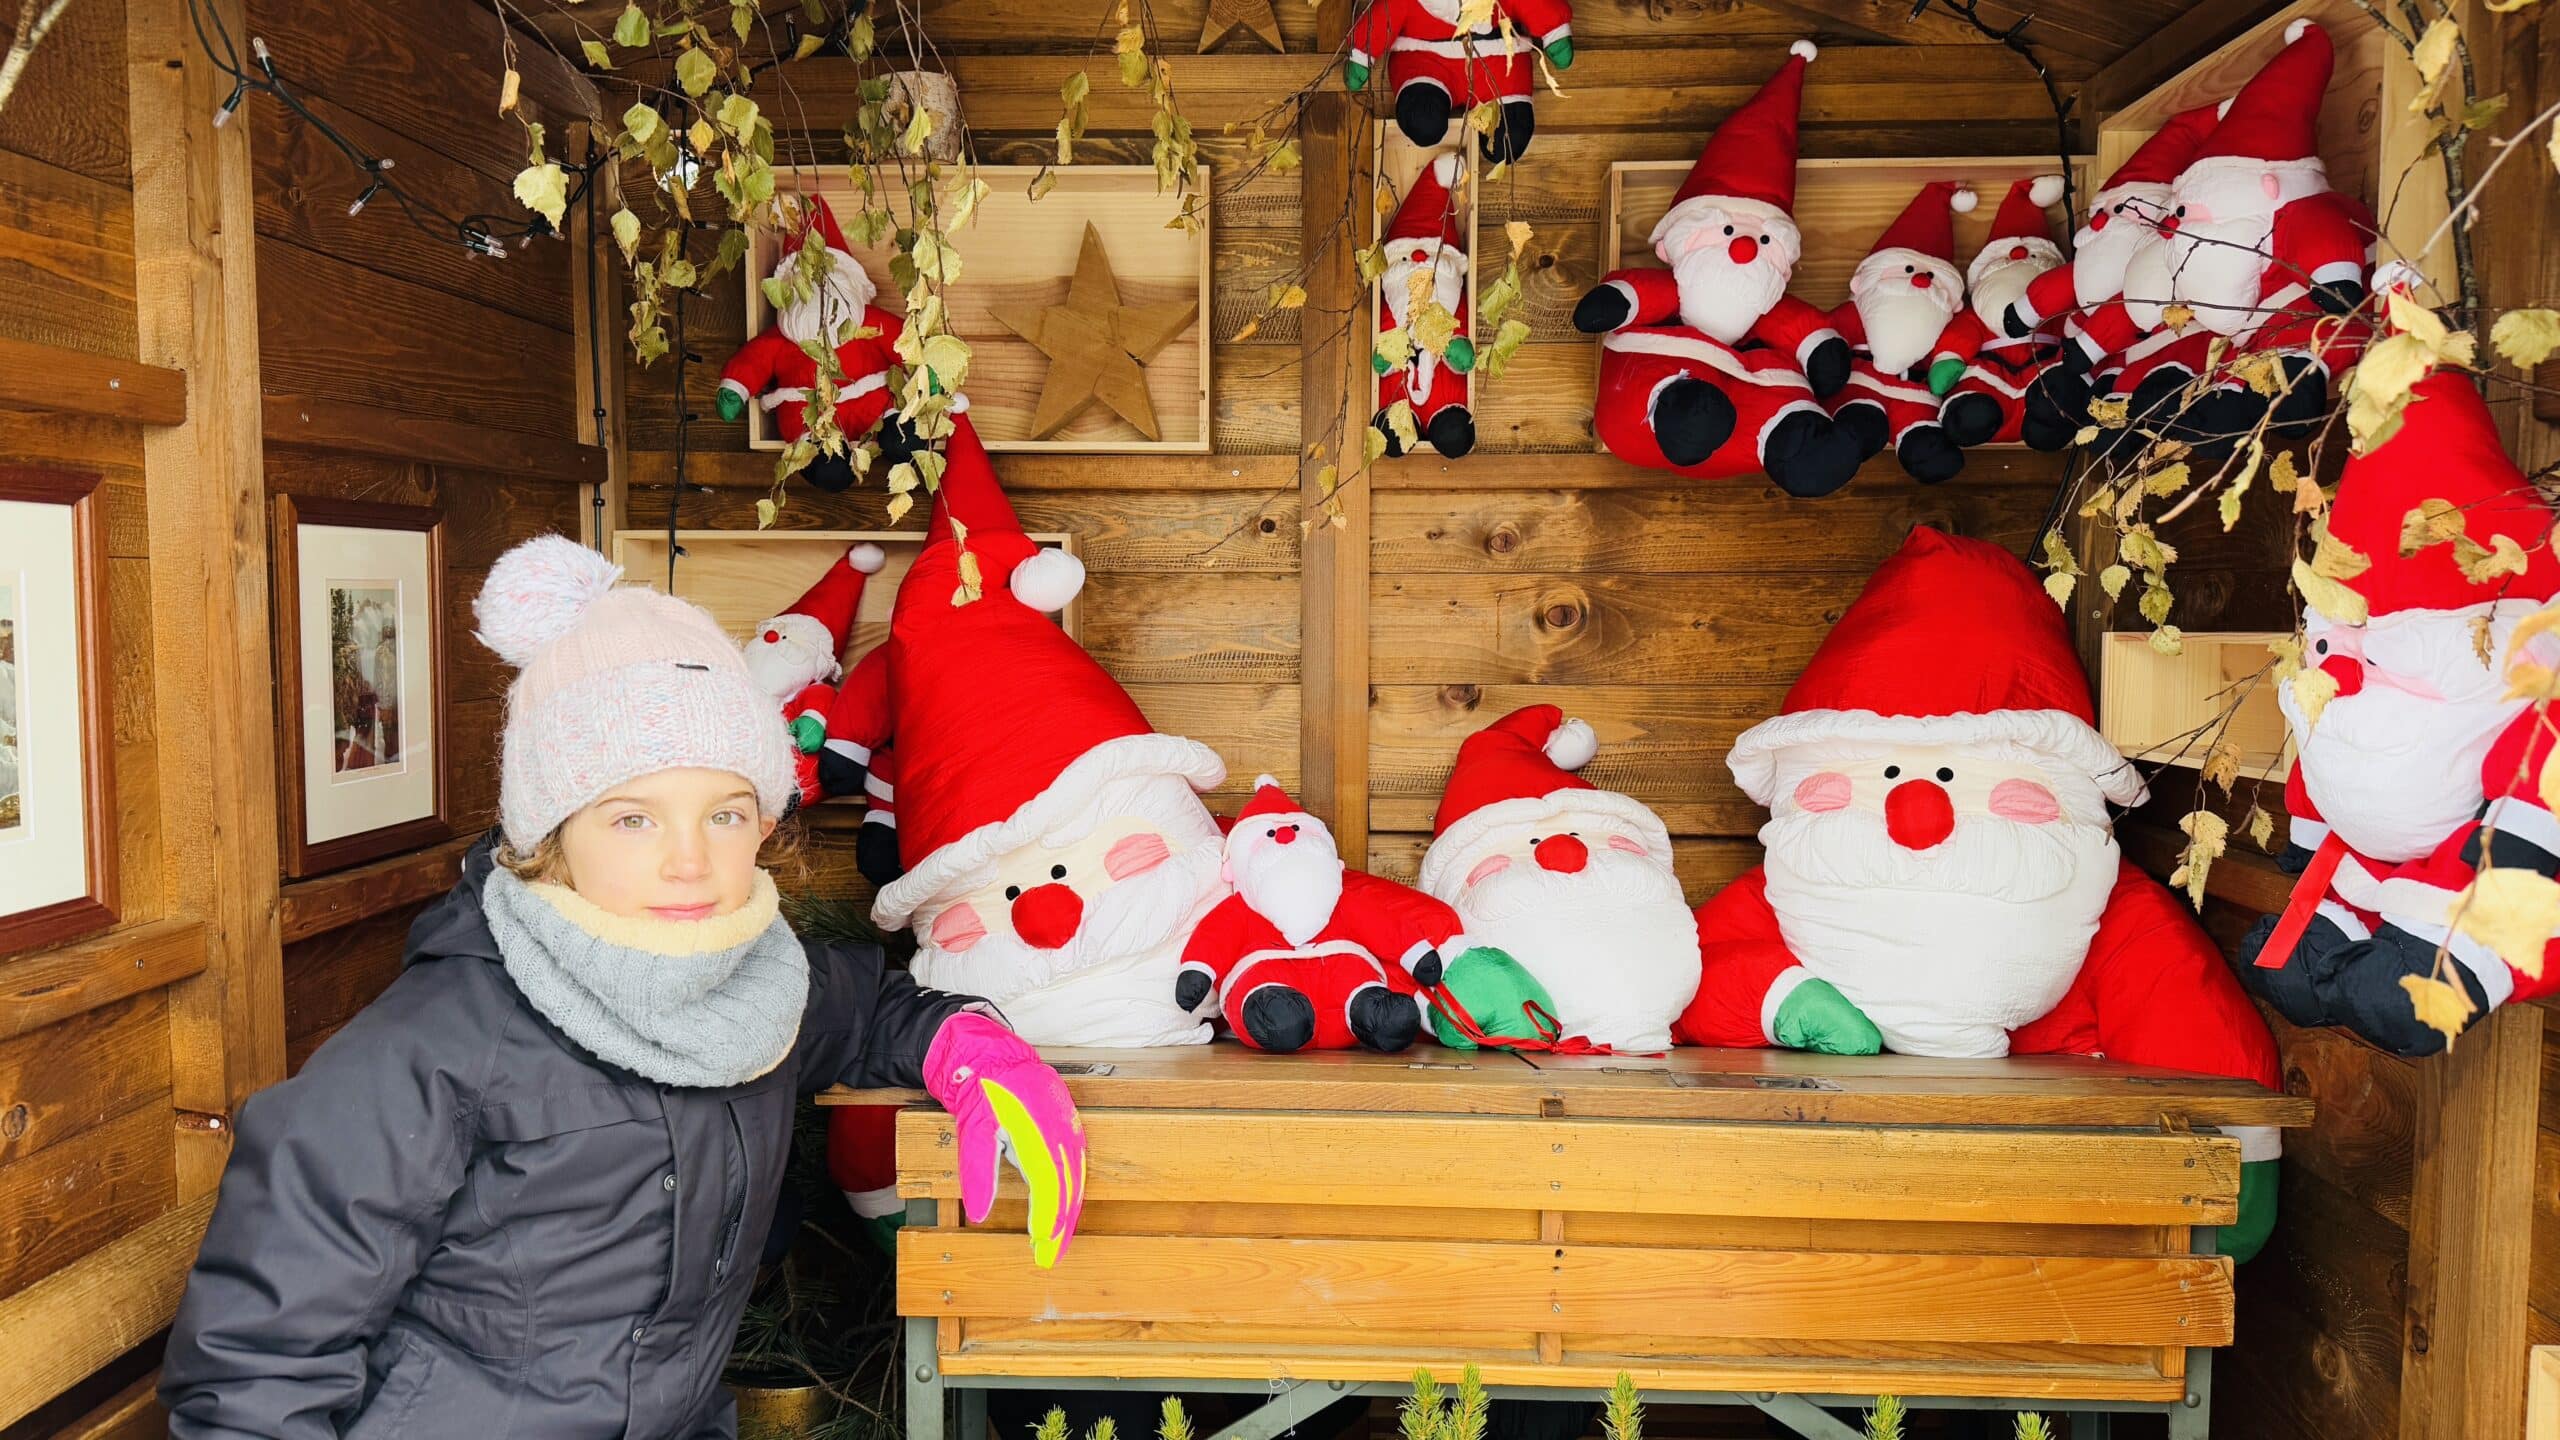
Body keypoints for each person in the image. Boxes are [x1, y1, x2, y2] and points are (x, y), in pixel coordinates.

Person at [160, 534, 1087, 1440]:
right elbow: (253, 1372)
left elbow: (866, 1008)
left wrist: (968, 1043)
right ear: (551, 834)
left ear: (763, 824)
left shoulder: (753, 978)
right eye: (634, 818)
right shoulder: (432, 1047)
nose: (690, 862)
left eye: (723, 814)